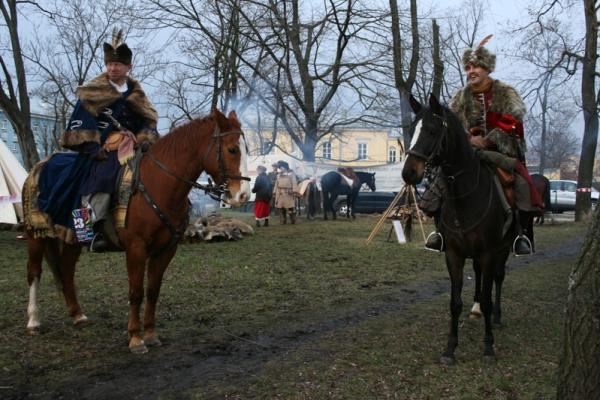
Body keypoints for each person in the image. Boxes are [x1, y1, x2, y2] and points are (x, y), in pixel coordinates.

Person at [420, 35, 542, 255]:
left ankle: (520, 234)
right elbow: (451, 128)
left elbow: (513, 119)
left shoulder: (506, 93)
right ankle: (440, 233)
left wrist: (489, 139)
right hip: (467, 154)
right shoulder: (459, 98)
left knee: (521, 186)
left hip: (498, 151)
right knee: (440, 183)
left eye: (476, 66)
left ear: (487, 69)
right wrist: (468, 140)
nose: (471, 71)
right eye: (468, 67)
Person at [62, 29, 158, 251]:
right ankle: (90, 233)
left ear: (128, 67)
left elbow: (149, 121)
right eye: (110, 64)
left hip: (134, 145)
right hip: (103, 149)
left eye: (118, 64)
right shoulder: (93, 91)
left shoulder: (137, 94)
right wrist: (93, 147)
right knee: (101, 179)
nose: (113, 68)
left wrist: (144, 138)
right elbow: (80, 123)